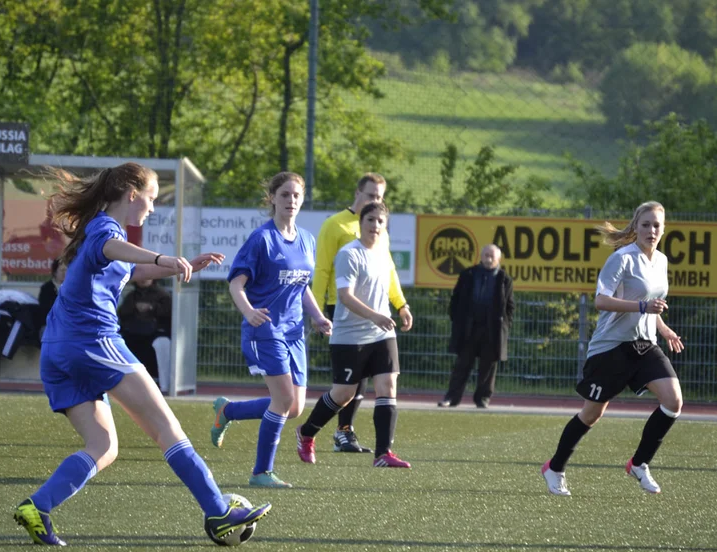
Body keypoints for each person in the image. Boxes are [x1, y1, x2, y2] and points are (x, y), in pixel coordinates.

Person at [13, 162, 270, 546]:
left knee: (103, 447)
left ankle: (38, 506)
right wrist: (162, 258)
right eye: (150, 198)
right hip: (93, 342)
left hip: (59, 350)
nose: (151, 207)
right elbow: (110, 247)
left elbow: (123, 271)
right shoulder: (105, 228)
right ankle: (218, 512)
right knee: (167, 429)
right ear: (131, 193)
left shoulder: (99, 231)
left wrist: (179, 267)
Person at [541, 201, 685, 497]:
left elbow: (652, 306)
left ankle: (639, 463)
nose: (651, 230)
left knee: (674, 401)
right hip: (611, 347)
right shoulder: (622, 258)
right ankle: (555, 468)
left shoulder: (662, 261)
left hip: (645, 345)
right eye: (645, 224)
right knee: (592, 414)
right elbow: (601, 301)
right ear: (635, 227)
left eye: (657, 225)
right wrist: (643, 306)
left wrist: (663, 327)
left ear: (664, 229)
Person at [210, 172, 332, 488]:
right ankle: (261, 473)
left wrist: (317, 317)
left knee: (293, 407)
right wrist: (248, 311)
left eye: (296, 195)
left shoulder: (307, 239)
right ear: (272, 199)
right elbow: (237, 284)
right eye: (285, 195)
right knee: (282, 400)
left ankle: (228, 411)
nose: (291, 200)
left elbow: (302, 286)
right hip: (265, 328)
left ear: (302, 199)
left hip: (294, 332)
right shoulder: (261, 239)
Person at [295, 202, 413, 468]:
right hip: (349, 335)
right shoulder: (349, 254)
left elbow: (392, 281)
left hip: (381, 334)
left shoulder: (383, 252)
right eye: (370, 220)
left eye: (380, 222)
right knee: (343, 394)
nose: (375, 226)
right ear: (361, 223)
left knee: (388, 386)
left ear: (385, 226)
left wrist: (402, 307)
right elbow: (345, 297)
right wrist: (375, 315)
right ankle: (306, 433)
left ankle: (383, 454)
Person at [438, 244, 514, 409]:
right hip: (469, 329)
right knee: (462, 365)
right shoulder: (468, 274)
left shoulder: (504, 279)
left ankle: (482, 399)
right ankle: (451, 398)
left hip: (491, 330)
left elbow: (509, 307)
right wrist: (457, 320)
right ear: (480, 256)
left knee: (488, 368)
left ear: (498, 259)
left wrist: (504, 325)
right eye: (486, 255)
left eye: (492, 256)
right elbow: (455, 299)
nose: (488, 259)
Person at [119, 278, 173, 392]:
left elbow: (168, 313)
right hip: (133, 332)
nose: (144, 279)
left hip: (155, 332)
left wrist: (151, 308)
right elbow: (122, 313)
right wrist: (135, 307)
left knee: (161, 344)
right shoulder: (131, 296)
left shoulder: (163, 295)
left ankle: (163, 385)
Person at [36, 258, 67, 338]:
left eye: (66, 270)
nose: (64, 273)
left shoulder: (71, 287)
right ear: (55, 272)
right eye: (62, 270)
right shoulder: (46, 288)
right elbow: (44, 311)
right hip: (50, 324)